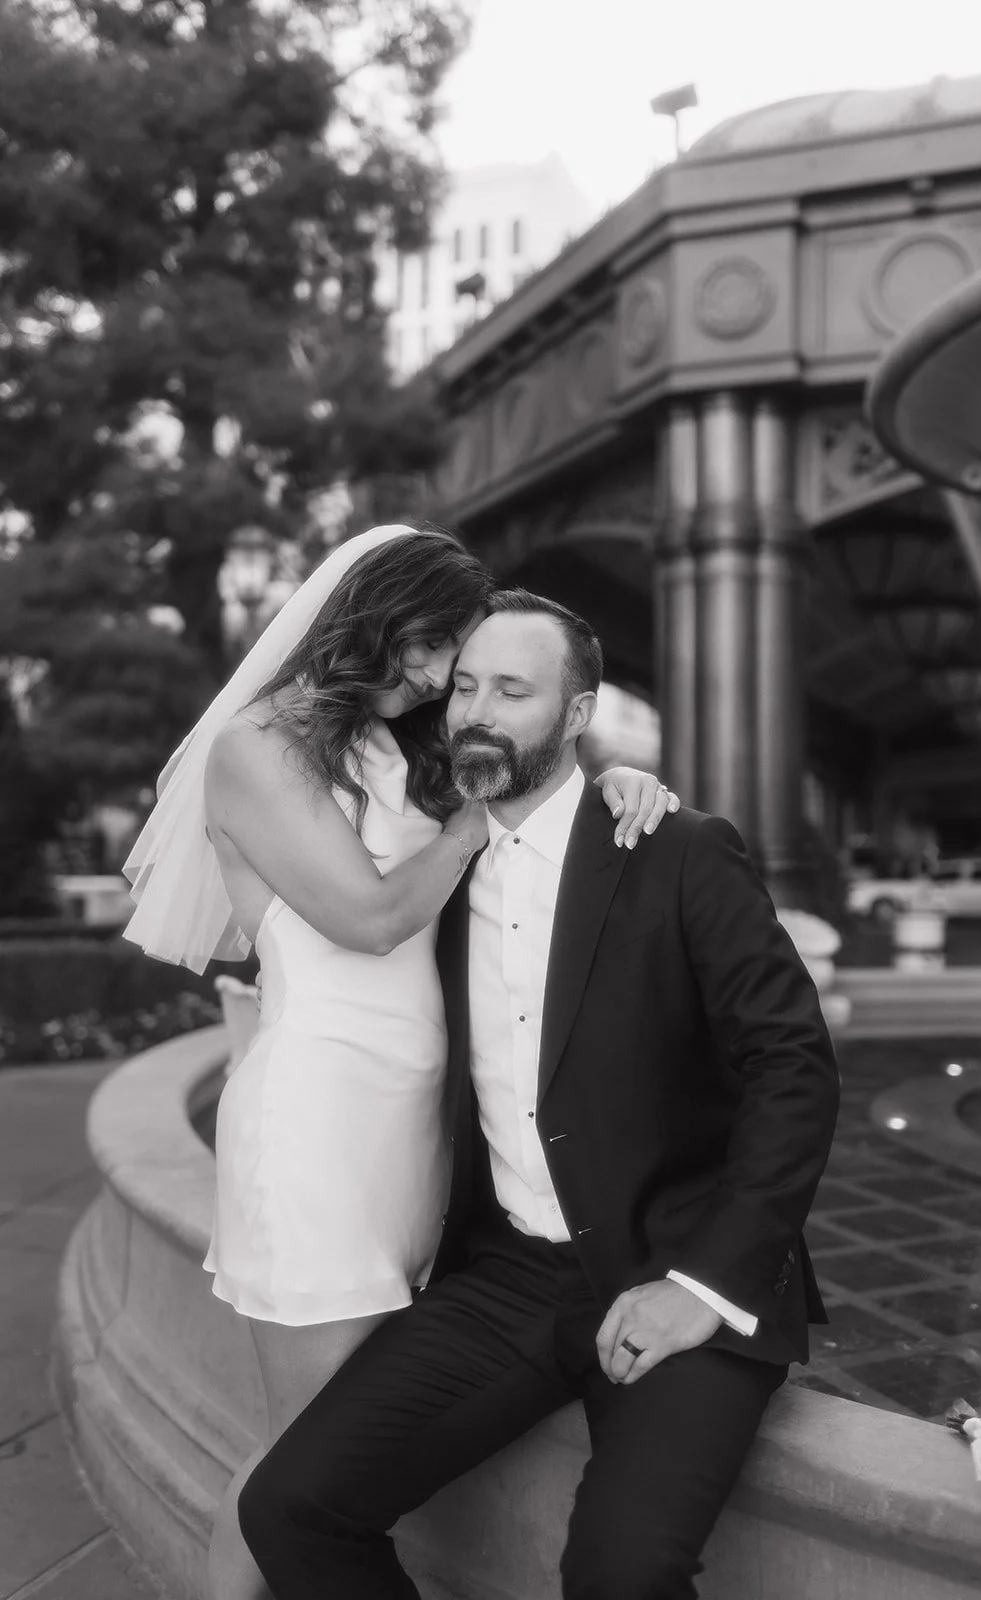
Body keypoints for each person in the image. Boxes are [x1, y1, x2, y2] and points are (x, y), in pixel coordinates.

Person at [236, 589, 841, 1600]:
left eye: (512, 689)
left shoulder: (675, 847)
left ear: (573, 714)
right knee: (289, 1507)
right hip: (510, 1273)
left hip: (675, 1255)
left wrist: (700, 1287)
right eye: (465, 683)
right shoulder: (427, 869)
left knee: (618, 1574)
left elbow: (794, 1068)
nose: (477, 709)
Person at [121, 527, 677, 1600]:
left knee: (320, 1462)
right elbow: (371, 916)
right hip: (316, 1135)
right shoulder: (255, 746)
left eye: (452, 661)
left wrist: (612, 784)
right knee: (295, 1468)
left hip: (413, 1142)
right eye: (426, 648)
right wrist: (473, 820)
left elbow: (525, 821)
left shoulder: (397, 746)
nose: (433, 678)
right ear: (368, 612)